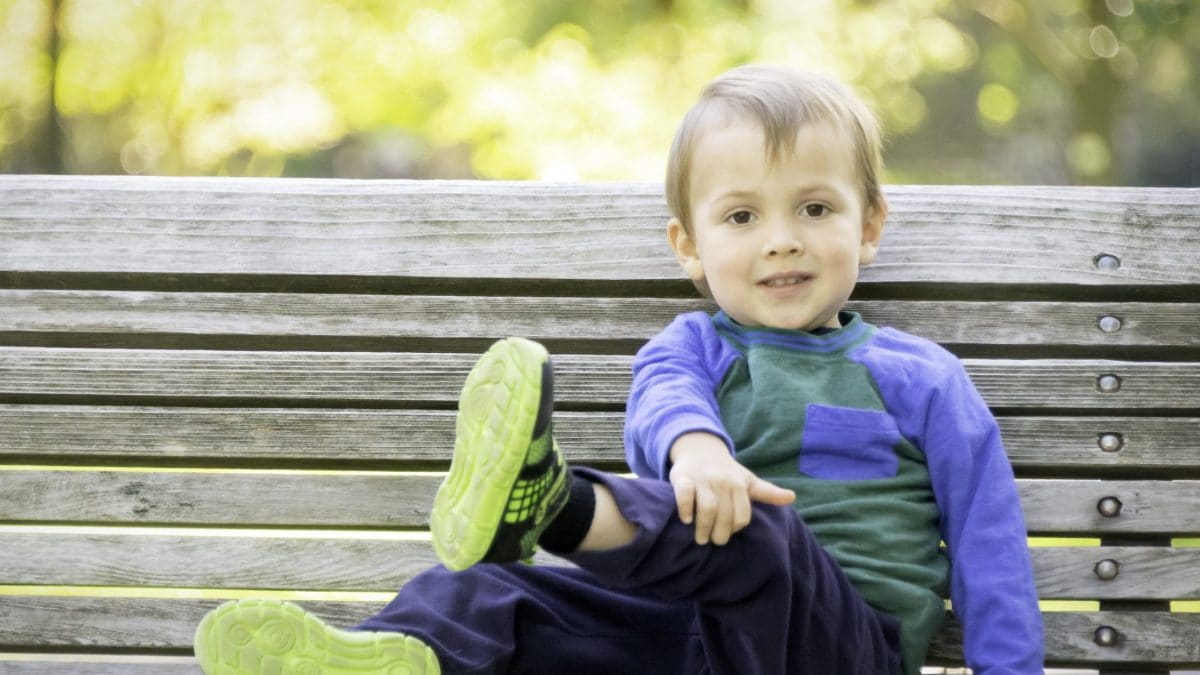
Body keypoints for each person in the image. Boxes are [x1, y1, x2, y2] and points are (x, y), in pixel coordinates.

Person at [194, 64, 1044, 674]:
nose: (782, 237)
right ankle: (394, 654)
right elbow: (663, 398)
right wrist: (695, 448)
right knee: (489, 588)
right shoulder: (694, 346)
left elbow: (989, 548)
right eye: (743, 215)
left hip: (835, 646)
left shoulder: (921, 377)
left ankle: (550, 503)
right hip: (677, 641)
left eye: (814, 208)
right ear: (690, 247)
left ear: (869, 227)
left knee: (752, 525)